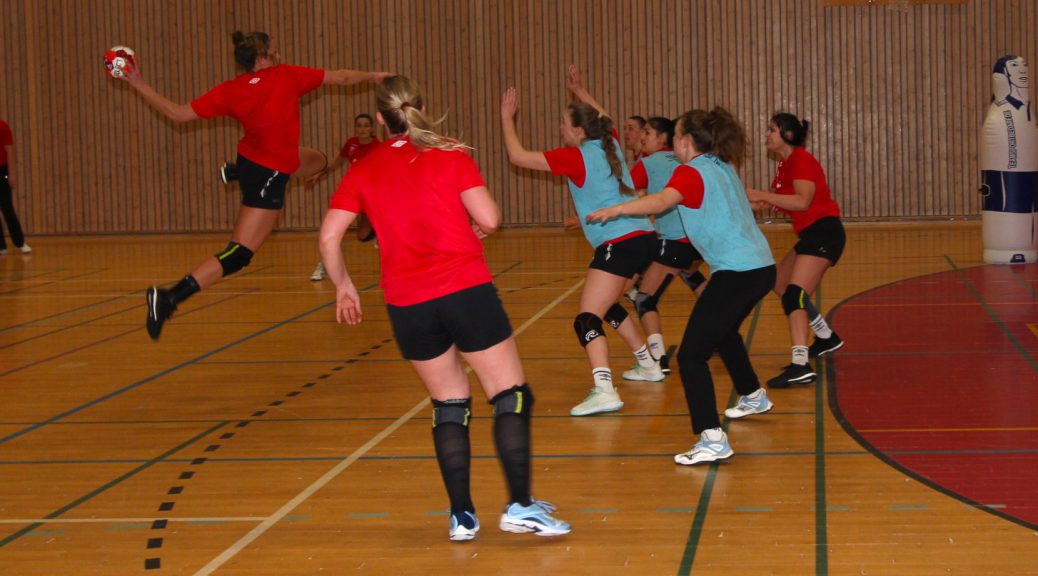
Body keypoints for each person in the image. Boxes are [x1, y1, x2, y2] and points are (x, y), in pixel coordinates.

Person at [320, 75, 570, 541]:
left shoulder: (363, 168)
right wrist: (475, 228)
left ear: (381, 120)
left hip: (407, 303)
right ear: (419, 106)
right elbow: (490, 218)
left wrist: (343, 285)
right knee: (510, 394)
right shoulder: (450, 153)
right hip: (465, 289)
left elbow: (329, 237)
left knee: (449, 403)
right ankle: (520, 505)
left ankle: (462, 515)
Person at [114, 31, 389, 340]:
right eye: (274, 52)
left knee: (321, 161)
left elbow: (176, 113)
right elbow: (342, 77)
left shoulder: (232, 90)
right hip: (269, 175)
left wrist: (137, 82)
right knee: (239, 254)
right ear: (261, 59)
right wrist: (374, 76)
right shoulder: (286, 76)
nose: (279, 56)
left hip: (255, 159)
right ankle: (168, 298)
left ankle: (237, 173)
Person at [586, 107, 777, 466]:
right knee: (724, 333)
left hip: (738, 272)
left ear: (686, 142)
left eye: (675, 137)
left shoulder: (690, 172)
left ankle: (711, 438)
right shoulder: (721, 164)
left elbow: (661, 201)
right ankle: (753, 394)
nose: (673, 142)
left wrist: (617, 210)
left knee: (691, 356)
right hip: (761, 267)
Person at [501, 65, 660, 418]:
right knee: (608, 305)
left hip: (619, 243)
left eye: (563, 122)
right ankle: (648, 364)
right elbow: (605, 117)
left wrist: (507, 119)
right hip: (643, 239)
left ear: (577, 130)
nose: (560, 127)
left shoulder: (575, 155)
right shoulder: (610, 143)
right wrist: (581, 92)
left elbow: (517, 157)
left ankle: (604, 390)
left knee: (586, 319)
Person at [746, 113, 845, 388]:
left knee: (794, 295)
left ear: (787, 135)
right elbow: (780, 202)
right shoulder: (785, 165)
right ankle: (825, 336)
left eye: (772, 129)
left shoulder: (800, 159)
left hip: (824, 232)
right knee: (779, 283)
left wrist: (761, 195)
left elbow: (802, 202)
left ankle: (800, 365)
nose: (766, 134)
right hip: (811, 234)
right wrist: (745, 200)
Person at [626, 116, 706, 375]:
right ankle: (720, 332)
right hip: (699, 241)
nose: (642, 137)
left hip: (675, 241)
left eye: (647, 132)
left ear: (663, 137)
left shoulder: (648, 163)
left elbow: (622, 191)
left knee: (645, 299)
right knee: (690, 274)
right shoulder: (690, 161)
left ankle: (658, 359)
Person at [308, 113, 380, 281]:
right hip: (352, 193)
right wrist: (319, 174)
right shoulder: (351, 144)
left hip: (370, 194)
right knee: (334, 231)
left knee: (362, 236)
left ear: (371, 128)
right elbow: (336, 163)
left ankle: (377, 232)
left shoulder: (378, 146)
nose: (362, 129)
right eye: (359, 125)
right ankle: (323, 266)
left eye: (366, 125)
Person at [0, 118, 31, 255]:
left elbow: (9, 150)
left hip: (2, 171)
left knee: (7, 207)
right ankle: (1, 247)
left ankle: (20, 242)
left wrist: (12, 174)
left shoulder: (2, 126)